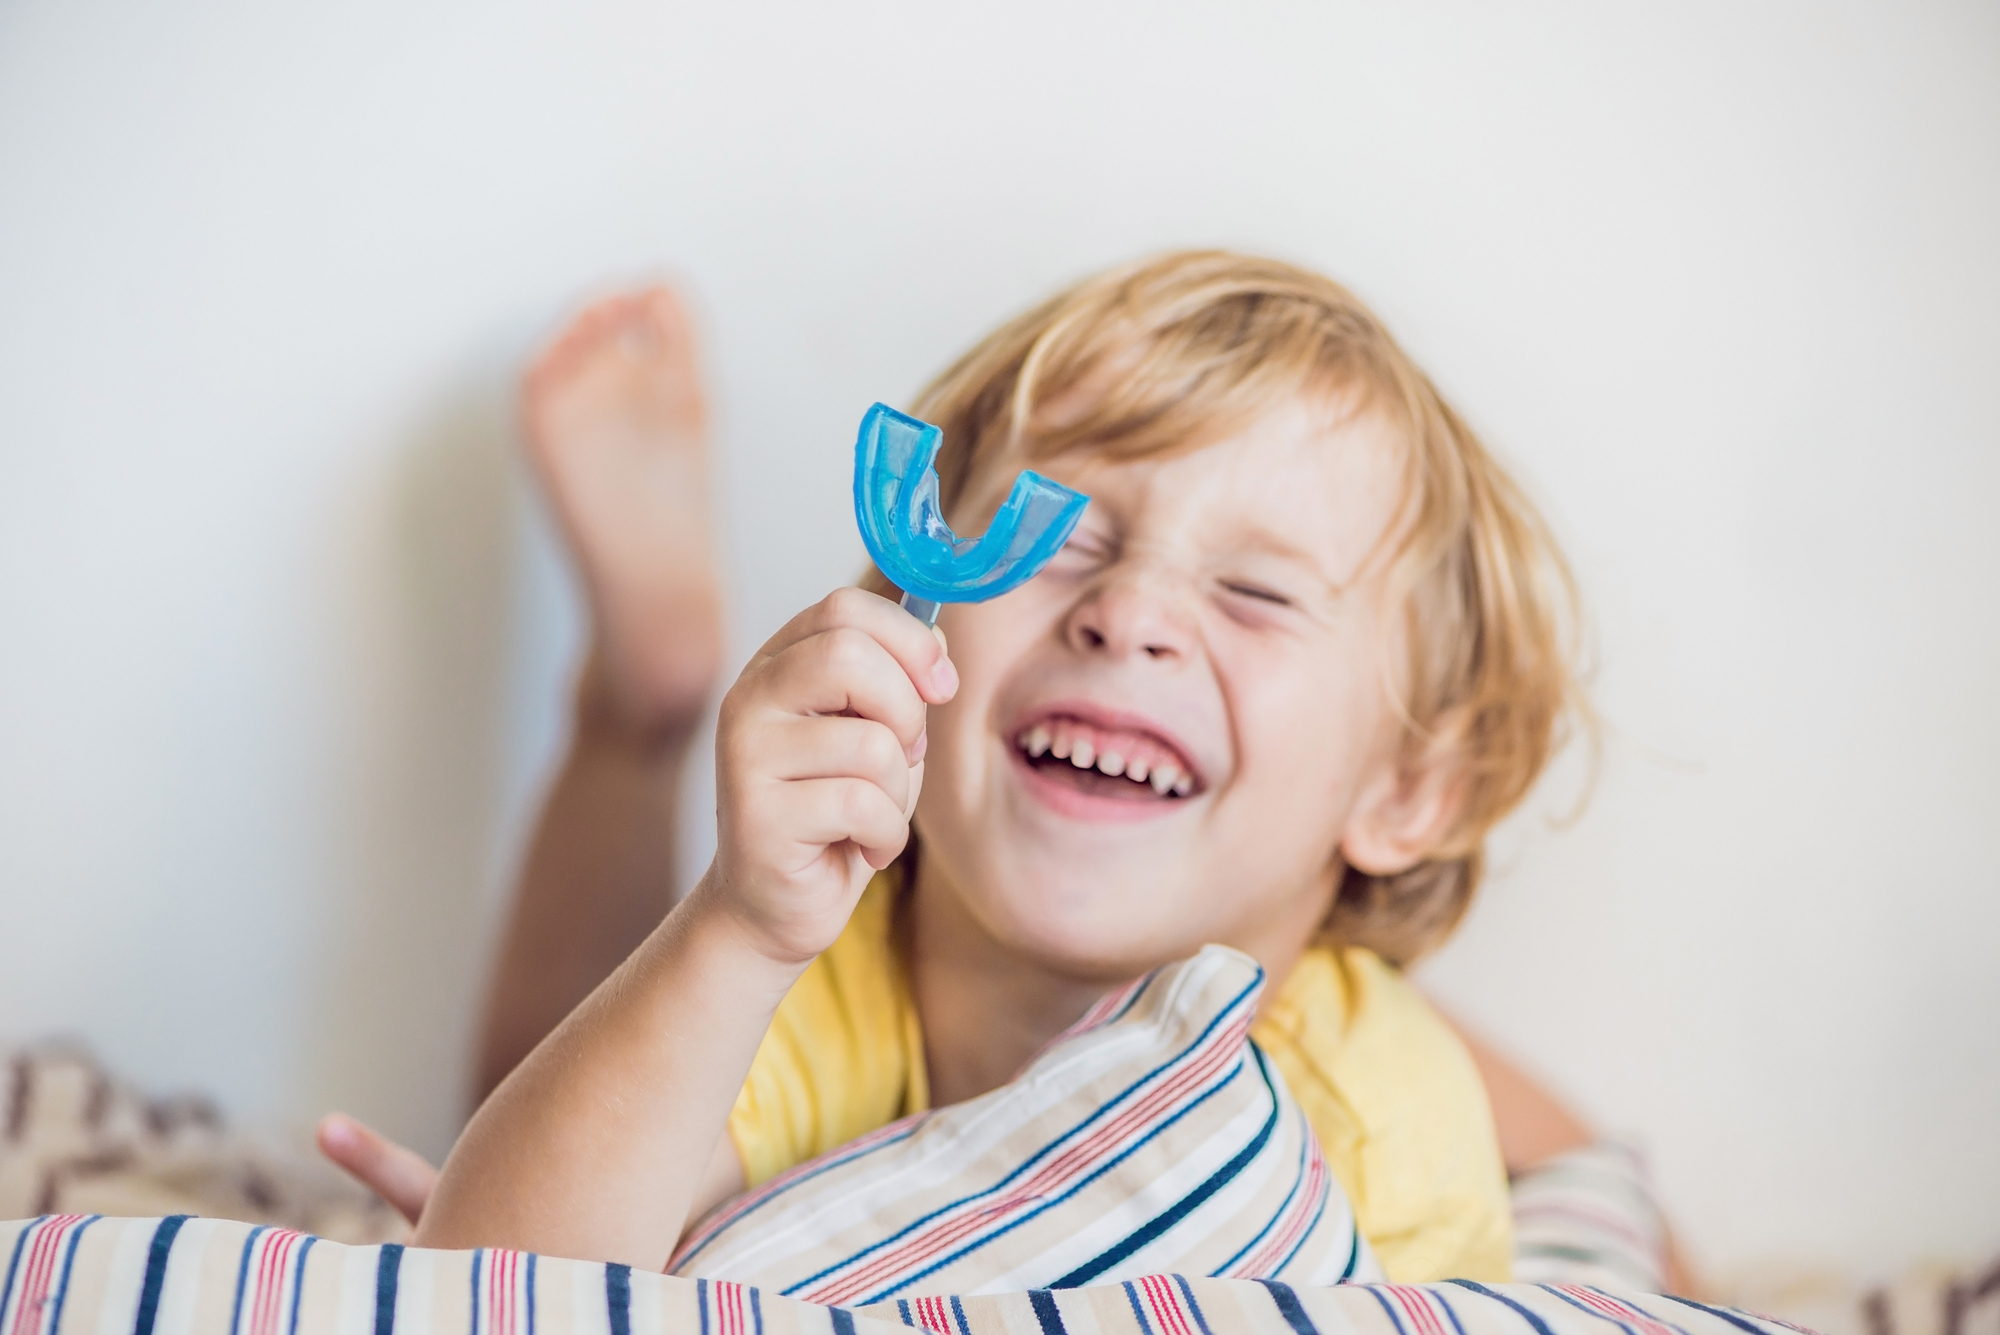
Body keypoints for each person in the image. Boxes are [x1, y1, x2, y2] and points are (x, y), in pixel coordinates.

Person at [320, 255, 1617, 1283]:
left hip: (1342, 1037)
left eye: (1255, 592)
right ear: (912, 619)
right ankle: (641, 707)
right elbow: (495, 1282)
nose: (1133, 611)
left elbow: (1580, 1178)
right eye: (1057, 535)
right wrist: (733, 931)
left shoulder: (1381, 1120)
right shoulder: (811, 973)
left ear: (1407, 793)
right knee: (528, 1101)